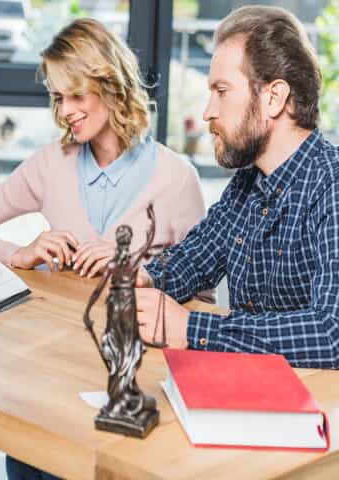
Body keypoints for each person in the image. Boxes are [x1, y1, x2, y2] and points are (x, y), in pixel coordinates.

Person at [136, 5, 339, 369]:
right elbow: (196, 257)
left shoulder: (332, 185)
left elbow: (331, 332)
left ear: (273, 98)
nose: (207, 111)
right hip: (251, 389)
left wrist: (193, 329)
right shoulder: (249, 181)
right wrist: (142, 278)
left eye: (222, 91)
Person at [0, 18, 206, 279]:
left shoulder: (178, 178)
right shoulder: (50, 164)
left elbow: (202, 292)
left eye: (77, 95)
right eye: (58, 97)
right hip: (60, 318)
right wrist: (18, 255)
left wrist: (136, 271)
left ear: (111, 87)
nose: (65, 111)